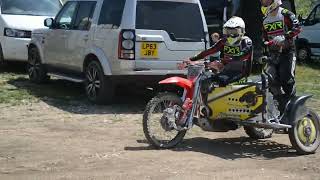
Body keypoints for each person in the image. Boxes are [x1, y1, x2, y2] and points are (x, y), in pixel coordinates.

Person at [179, 16, 253, 86]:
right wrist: (192, 59)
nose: (229, 35)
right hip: (226, 71)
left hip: (240, 74)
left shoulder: (246, 41)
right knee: (206, 80)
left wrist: (229, 59)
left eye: (233, 32)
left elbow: (245, 54)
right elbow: (209, 51)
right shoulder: (224, 41)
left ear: (241, 31)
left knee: (220, 82)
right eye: (227, 31)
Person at [260, 0, 301, 117]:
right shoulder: (265, 19)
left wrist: (285, 36)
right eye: (263, 1)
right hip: (273, 54)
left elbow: (297, 28)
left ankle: (293, 111)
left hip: (288, 52)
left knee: (286, 79)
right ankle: (281, 110)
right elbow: (264, 37)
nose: (265, 3)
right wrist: (266, 44)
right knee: (271, 80)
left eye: (267, 0)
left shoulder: (286, 13)